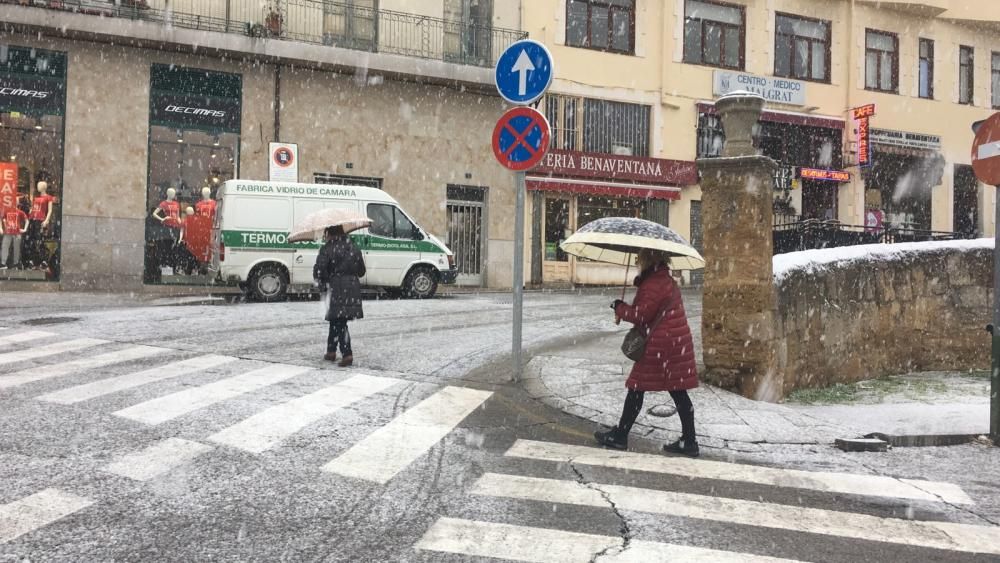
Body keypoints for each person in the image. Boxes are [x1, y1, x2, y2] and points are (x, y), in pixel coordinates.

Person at [596, 248, 700, 456]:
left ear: (649, 259)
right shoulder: (663, 280)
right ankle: (689, 440)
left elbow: (641, 315)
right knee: (678, 390)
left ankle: (620, 436)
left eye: (640, 257)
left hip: (661, 344)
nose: (636, 260)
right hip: (673, 342)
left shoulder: (654, 283)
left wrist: (619, 307)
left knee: (636, 387)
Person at [314, 225, 366, 366]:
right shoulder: (354, 248)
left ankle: (347, 353)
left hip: (336, 288)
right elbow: (361, 271)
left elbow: (319, 271)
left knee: (339, 321)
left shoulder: (327, 249)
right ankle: (331, 351)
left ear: (329, 233)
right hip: (352, 288)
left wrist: (324, 284)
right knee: (336, 319)